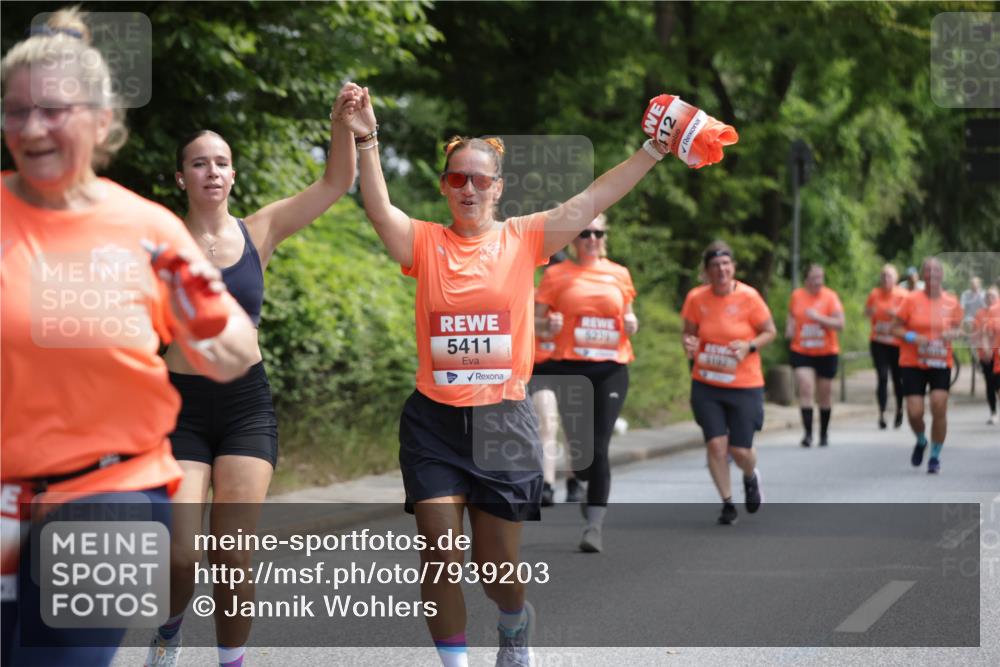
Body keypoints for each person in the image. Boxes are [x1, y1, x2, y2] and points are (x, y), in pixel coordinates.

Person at [342, 81, 676, 667]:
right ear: (445, 186)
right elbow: (378, 207)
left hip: (503, 422)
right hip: (434, 422)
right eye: (455, 178)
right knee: (440, 554)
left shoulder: (525, 239)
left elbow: (593, 199)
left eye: (478, 179)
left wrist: (651, 150)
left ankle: (514, 620)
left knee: (496, 570)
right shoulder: (424, 242)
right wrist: (366, 137)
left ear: (498, 188)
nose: (466, 188)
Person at [0, 9, 256, 667]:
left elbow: (235, 349)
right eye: (15, 111)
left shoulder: (148, 230)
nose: (31, 129)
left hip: (106, 492)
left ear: (103, 122)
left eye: (53, 111)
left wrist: (196, 309)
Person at [145, 90, 358, 667]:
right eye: (199, 162)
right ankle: (168, 631)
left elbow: (335, 184)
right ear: (181, 175)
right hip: (180, 409)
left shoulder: (260, 230)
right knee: (181, 552)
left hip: (245, 406)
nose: (211, 171)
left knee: (233, 553)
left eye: (220, 162)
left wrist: (345, 127)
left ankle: (232, 662)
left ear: (233, 174)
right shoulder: (157, 238)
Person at [534, 214, 639, 551]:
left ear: (604, 237)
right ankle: (581, 478)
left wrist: (632, 322)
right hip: (569, 369)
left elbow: (628, 314)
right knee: (581, 451)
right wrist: (546, 328)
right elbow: (535, 323)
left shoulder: (619, 274)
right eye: (584, 233)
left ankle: (594, 527)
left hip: (611, 368)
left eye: (597, 233)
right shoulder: (556, 274)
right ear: (574, 239)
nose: (591, 238)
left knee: (599, 446)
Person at [681, 241, 777, 525]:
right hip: (707, 383)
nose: (721, 270)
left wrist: (750, 346)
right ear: (706, 271)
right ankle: (727, 503)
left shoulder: (750, 297)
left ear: (733, 267)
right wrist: (689, 345)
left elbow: (770, 331)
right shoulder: (696, 298)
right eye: (714, 266)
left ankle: (750, 476)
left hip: (744, 384)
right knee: (716, 446)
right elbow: (689, 335)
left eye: (725, 265)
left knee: (740, 450)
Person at [893, 257, 964, 474]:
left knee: (938, 405)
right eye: (928, 271)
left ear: (941, 275)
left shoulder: (951, 301)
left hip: (940, 361)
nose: (932, 275)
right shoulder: (910, 300)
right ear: (923, 275)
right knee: (914, 413)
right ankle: (922, 440)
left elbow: (961, 329)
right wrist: (913, 336)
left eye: (936, 271)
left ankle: (934, 456)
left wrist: (951, 333)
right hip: (912, 361)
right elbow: (895, 328)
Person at [786, 264, 845, 447]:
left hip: (826, 352)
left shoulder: (830, 297)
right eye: (814, 277)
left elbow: (840, 324)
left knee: (825, 394)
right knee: (805, 387)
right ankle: (808, 434)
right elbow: (792, 316)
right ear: (806, 280)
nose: (818, 281)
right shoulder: (797, 296)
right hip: (802, 350)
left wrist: (818, 318)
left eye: (821, 277)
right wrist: (789, 327)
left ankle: (824, 433)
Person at [528, 251, 566, 507]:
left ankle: (575, 482)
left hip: (571, 368)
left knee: (576, 428)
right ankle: (548, 484)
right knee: (547, 424)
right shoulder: (530, 294)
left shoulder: (575, 300)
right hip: (541, 368)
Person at [864, 264, 907, 429]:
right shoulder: (874, 294)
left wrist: (895, 315)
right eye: (883, 276)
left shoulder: (903, 295)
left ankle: (899, 409)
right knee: (882, 377)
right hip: (879, 341)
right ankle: (882, 413)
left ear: (895, 278)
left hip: (897, 343)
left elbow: (909, 318)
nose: (885, 279)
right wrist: (870, 311)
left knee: (898, 379)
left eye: (889, 276)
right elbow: (866, 312)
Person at [973, 287, 999, 424]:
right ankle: (993, 412)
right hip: (986, 355)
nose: (990, 299)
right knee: (990, 384)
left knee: (998, 383)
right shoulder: (980, 314)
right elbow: (977, 334)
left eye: (993, 296)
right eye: (987, 296)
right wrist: (982, 351)